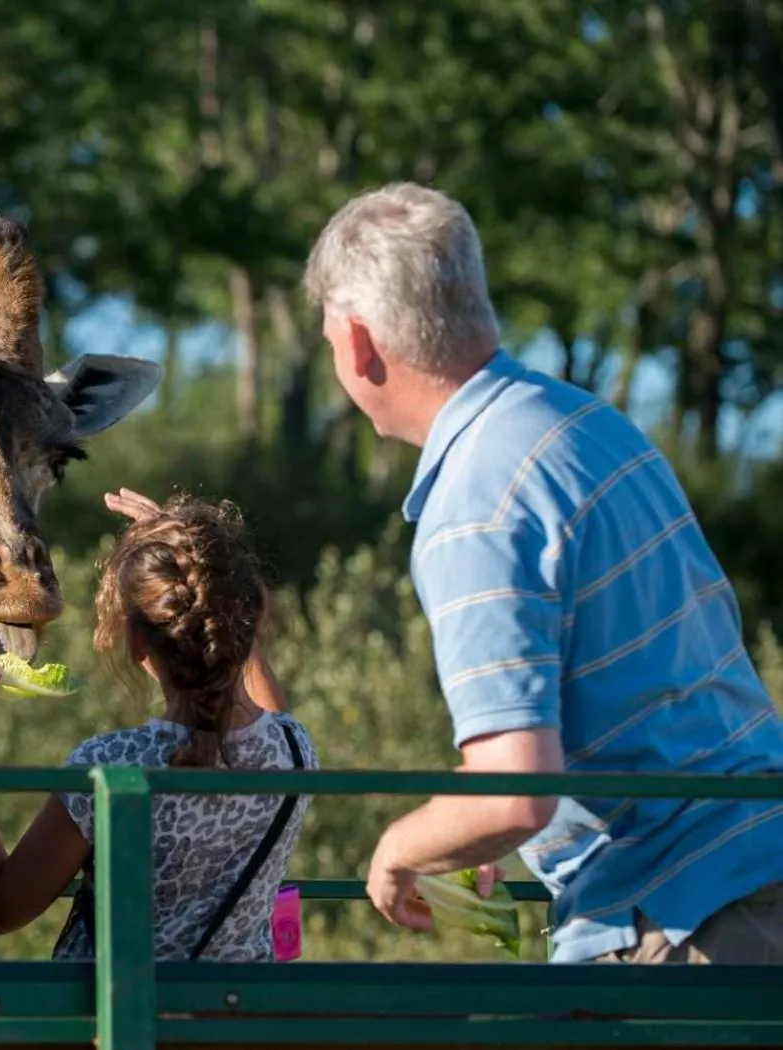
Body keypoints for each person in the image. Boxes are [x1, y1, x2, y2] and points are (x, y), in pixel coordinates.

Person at [303, 181, 783, 964]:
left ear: (358, 342)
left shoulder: (474, 503)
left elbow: (515, 790)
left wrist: (401, 848)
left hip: (685, 913)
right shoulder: (586, 424)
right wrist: (475, 825)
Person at [0, 489, 318, 961]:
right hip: (237, 1009)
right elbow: (266, 702)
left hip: (119, 1009)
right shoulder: (293, 752)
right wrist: (202, 572)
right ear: (247, 621)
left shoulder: (110, 768)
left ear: (136, 643)